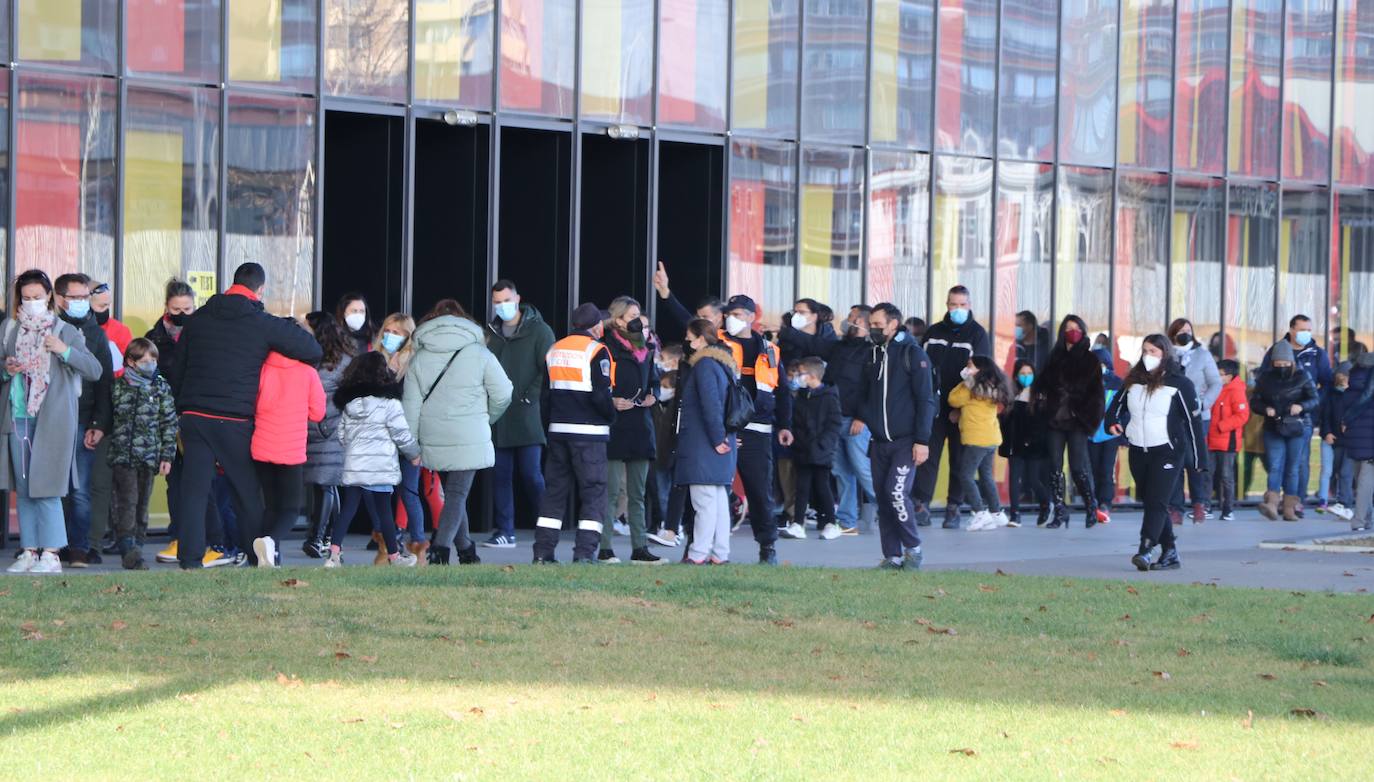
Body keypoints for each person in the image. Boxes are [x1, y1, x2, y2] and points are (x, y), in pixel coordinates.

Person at [165, 262, 322, 569]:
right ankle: (255, 556)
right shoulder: (260, 322)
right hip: (234, 418)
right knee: (246, 493)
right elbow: (312, 349)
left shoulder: (198, 320)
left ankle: (190, 559)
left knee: (194, 490)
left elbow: (178, 368)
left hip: (194, 416)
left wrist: (184, 406)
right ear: (259, 289)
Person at [2, 269, 103, 574]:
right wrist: (7, 368)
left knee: (48, 487)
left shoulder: (64, 330)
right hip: (18, 415)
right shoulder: (9, 330)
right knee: (25, 487)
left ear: (49, 296)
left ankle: (52, 552)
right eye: (26, 298)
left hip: (54, 420)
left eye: (37, 296)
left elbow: (94, 369)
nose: (32, 302)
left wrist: (64, 351)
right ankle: (30, 550)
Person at [403, 299, 512, 565]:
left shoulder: (419, 358)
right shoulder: (481, 354)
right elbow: (504, 393)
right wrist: (487, 418)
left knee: (453, 493)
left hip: (433, 434)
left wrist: (412, 444)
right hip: (470, 434)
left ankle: (465, 549)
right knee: (456, 494)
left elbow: (411, 405)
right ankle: (440, 549)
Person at [1104, 334, 1204, 572]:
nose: (1149, 356)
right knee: (1152, 502)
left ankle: (1145, 549)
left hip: (1168, 452)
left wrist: (1200, 460)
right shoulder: (1133, 381)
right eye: (1146, 351)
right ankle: (1170, 552)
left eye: (1154, 352)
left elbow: (1194, 424)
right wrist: (1112, 422)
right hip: (1139, 449)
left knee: (1158, 502)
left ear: (1165, 355)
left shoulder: (1180, 384)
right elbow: (1115, 407)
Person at [853, 303, 937, 569]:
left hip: (906, 441)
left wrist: (922, 441)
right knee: (883, 498)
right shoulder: (874, 354)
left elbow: (926, 400)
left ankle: (913, 549)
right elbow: (864, 392)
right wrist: (863, 415)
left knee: (896, 493)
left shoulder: (913, 354)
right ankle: (892, 555)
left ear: (893, 324)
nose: (873, 329)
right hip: (879, 442)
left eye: (878, 324)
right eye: (871, 324)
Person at [532, 303, 617, 563]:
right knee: (594, 491)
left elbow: (544, 397)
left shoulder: (554, 350)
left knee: (554, 493)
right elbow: (601, 394)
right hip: (589, 435)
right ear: (596, 327)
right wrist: (611, 417)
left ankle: (543, 553)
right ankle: (584, 553)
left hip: (558, 433)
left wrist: (549, 428)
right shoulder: (597, 350)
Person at [780, 304, 875, 534]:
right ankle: (847, 520)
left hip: (856, 421)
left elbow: (872, 388)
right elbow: (812, 344)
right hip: (837, 418)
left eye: (853, 317)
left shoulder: (872, 352)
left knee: (861, 468)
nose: (848, 320)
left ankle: (894, 505)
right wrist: (786, 331)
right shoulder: (839, 347)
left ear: (863, 322)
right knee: (842, 472)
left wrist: (862, 417)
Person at [249, 318, 327, 569]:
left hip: (261, 445)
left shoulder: (262, 368)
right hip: (290, 449)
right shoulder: (308, 373)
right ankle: (271, 542)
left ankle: (271, 556)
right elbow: (318, 413)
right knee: (291, 509)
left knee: (270, 506)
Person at [330, 352, 420, 567]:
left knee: (347, 511)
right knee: (385, 513)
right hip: (380, 467)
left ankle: (333, 555)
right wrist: (414, 454)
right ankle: (394, 556)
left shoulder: (350, 406)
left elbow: (342, 436)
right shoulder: (390, 404)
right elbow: (402, 434)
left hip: (355, 467)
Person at [485, 279, 556, 549]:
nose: (502, 306)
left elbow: (547, 369)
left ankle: (547, 526)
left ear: (517, 298)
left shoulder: (540, 331)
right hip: (498, 415)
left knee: (531, 474)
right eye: (497, 301)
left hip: (527, 414)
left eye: (506, 300)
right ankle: (505, 530)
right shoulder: (491, 332)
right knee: (500, 475)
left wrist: (529, 396)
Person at [915, 285, 991, 529]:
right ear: (947, 305)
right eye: (953, 304)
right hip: (933, 407)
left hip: (962, 410)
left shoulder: (978, 334)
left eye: (962, 305)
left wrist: (962, 407)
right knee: (928, 457)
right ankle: (921, 505)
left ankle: (953, 508)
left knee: (960, 460)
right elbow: (921, 367)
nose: (957, 309)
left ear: (969, 306)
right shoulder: (934, 332)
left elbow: (980, 374)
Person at [52, 273, 114, 567]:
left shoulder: (95, 333)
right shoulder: (50, 329)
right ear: (60, 299)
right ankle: (52, 545)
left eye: (84, 297)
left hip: (83, 420)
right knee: (51, 486)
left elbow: (104, 383)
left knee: (80, 489)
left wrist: (99, 424)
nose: (81, 303)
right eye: (75, 297)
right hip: (51, 419)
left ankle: (79, 547)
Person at [599, 297, 664, 564]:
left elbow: (655, 381)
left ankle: (640, 547)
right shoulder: (605, 346)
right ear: (617, 319)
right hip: (615, 424)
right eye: (632, 315)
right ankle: (604, 548)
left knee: (638, 492)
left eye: (639, 314)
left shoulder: (647, 348)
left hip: (640, 424)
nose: (638, 320)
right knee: (612, 492)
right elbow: (596, 384)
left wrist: (653, 395)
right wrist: (610, 400)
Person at [1031, 315, 1108, 529]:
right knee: (1055, 467)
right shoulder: (1054, 357)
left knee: (1078, 467)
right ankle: (1060, 511)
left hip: (1077, 421)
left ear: (1083, 331)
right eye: (1068, 328)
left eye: (1076, 328)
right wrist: (1041, 404)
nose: (1072, 331)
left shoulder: (1090, 359)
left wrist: (1088, 419)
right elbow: (1040, 385)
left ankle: (1091, 506)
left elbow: (1097, 396)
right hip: (1055, 420)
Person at [107, 339, 177, 570]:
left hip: (149, 456)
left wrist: (167, 456)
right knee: (126, 501)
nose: (149, 364)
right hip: (122, 455)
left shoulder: (160, 387)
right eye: (144, 360)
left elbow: (168, 423)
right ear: (131, 362)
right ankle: (128, 548)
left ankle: (137, 544)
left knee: (142, 504)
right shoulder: (119, 386)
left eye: (153, 360)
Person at [675, 320, 739, 564]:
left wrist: (715, 437)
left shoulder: (703, 366)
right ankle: (720, 553)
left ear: (701, 339)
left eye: (690, 337)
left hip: (704, 442)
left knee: (703, 500)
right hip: (720, 440)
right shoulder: (723, 364)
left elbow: (710, 405)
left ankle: (698, 553)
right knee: (719, 498)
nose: (688, 342)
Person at [1261, 315, 1333, 507]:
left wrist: (1310, 405)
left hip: (1303, 419)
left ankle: (1296, 503)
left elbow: (1326, 383)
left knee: (1300, 462)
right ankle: (1274, 502)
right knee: (1277, 463)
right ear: (1292, 330)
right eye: (1302, 329)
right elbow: (1263, 381)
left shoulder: (1317, 354)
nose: (1306, 333)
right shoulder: (1276, 351)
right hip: (1276, 420)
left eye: (1309, 329)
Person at [301, 312, 354, 558]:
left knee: (326, 484)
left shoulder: (341, 362)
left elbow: (345, 397)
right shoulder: (311, 359)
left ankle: (318, 537)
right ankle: (331, 537)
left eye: (306, 329)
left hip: (330, 430)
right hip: (314, 430)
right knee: (324, 485)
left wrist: (328, 422)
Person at [373, 313, 426, 555]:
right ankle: (386, 538)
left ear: (408, 336)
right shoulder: (375, 359)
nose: (390, 336)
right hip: (382, 435)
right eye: (388, 331)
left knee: (409, 490)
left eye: (397, 332)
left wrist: (392, 374)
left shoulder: (413, 362)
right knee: (380, 488)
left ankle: (417, 542)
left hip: (407, 435)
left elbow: (404, 398)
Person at [1251, 340, 1320, 521]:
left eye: (1285, 363)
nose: (1281, 366)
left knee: (1293, 467)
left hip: (1297, 427)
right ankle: (1272, 503)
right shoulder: (1265, 378)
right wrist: (1265, 409)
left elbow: (1314, 399)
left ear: (1291, 362)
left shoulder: (1302, 376)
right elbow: (1255, 401)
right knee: (1275, 465)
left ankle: (1289, 506)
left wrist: (1301, 406)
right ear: (1273, 362)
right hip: (1273, 426)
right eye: (1278, 364)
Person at [948, 355, 1013, 531]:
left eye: (970, 365)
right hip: (991, 438)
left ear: (980, 369)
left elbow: (953, 399)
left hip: (977, 439)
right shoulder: (993, 387)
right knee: (986, 476)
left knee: (966, 475)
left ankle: (979, 512)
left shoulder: (970, 387)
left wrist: (964, 381)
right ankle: (996, 512)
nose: (967, 368)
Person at [1167, 318, 1222, 523]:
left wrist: (1203, 403)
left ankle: (1199, 502)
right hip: (1172, 415)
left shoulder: (1202, 354)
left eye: (1188, 330)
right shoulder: (1167, 354)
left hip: (1197, 416)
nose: (1185, 333)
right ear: (1172, 333)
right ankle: (1176, 507)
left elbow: (1215, 383)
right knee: (1176, 460)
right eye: (1181, 330)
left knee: (1193, 458)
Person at [791, 356, 843, 539]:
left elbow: (835, 424)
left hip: (821, 451)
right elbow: (796, 422)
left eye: (801, 373)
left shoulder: (829, 397)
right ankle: (798, 523)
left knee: (822, 486)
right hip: (802, 449)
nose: (798, 376)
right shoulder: (802, 396)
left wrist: (823, 445)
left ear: (812, 375)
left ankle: (831, 522)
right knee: (802, 487)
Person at [1000, 359, 1051, 526]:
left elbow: (1041, 422)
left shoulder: (1039, 395)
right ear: (1016, 375)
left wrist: (1033, 439)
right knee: (1014, 478)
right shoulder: (1011, 393)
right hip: (1015, 444)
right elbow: (1006, 420)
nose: (1026, 376)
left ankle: (1045, 504)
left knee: (1033, 479)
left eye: (1029, 373)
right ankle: (1015, 514)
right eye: (1022, 373)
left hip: (1034, 444)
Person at [647, 345, 683, 546]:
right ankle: (664, 524)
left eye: (667, 387)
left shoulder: (677, 408)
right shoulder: (656, 406)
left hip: (672, 454)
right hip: (659, 455)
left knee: (671, 492)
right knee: (660, 492)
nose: (663, 391)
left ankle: (673, 527)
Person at [1207, 359, 1250, 522]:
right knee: (1208, 474)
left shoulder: (1236, 390)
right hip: (1210, 439)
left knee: (1226, 476)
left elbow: (1242, 415)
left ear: (1230, 376)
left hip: (1227, 440)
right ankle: (1206, 507)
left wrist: (1221, 426)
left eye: (1220, 375)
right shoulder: (1214, 388)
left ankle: (1228, 509)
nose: (1217, 377)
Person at [1318, 363, 1357, 520]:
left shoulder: (1356, 395)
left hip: (1352, 440)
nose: (1343, 380)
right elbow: (1325, 416)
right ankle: (1343, 503)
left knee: (1347, 472)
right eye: (1340, 377)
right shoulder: (1332, 395)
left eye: (1345, 377)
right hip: (1336, 440)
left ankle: (1345, 504)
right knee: (1338, 471)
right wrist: (1326, 432)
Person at [1089, 347, 1124, 518]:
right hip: (1091, 434)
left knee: (1106, 469)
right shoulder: (1085, 384)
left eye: (1102, 364)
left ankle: (1105, 502)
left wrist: (1122, 432)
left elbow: (1124, 410)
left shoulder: (1118, 383)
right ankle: (1094, 501)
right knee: (1093, 469)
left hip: (1110, 433)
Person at [1342, 351, 1374, 531]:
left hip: (1355, 436)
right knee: (1366, 482)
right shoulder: (1369, 388)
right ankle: (1359, 521)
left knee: (1360, 479)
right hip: (1370, 438)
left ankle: (1368, 520)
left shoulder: (1351, 385)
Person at [1005, 310, 1052, 376]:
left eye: (1018, 325)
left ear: (1030, 326)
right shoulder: (1014, 347)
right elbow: (1008, 371)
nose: (1014, 329)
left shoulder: (1047, 348)